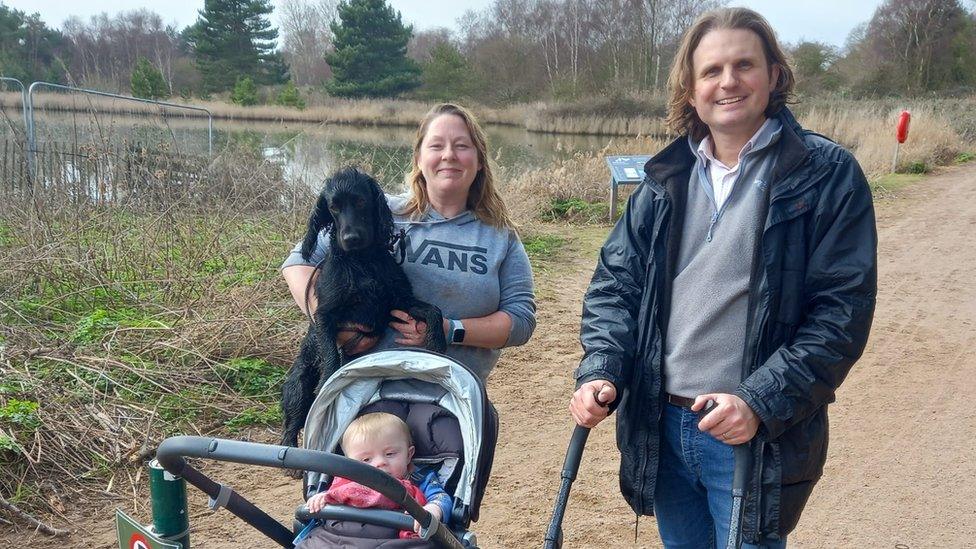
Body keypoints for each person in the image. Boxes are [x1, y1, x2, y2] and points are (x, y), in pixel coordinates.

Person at [569, 7, 877, 548]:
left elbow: (840, 315)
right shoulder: (665, 178)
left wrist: (758, 401)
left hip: (749, 434)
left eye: (744, 65)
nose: (728, 81)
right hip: (660, 426)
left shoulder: (828, 174)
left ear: (774, 75)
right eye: (711, 71)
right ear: (690, 89)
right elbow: (616, 285)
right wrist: (602, 367)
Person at [281, 103, 535, 382]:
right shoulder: (379, 212)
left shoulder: (500, 236)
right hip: (367, 384)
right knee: (378, 429)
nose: (449, 155)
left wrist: (449, 330)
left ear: (480, 159)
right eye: (436, 146)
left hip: (451, 390)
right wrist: (332, 324)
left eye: (461, 146)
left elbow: (520, 321)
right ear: (418, 158)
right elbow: (298, 263)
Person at [299, 412, 452, 542]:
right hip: (348, 537)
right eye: (366, 460)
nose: (380, 463)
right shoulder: (349, 480)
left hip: (395, 539)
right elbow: (338, 494)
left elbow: (441, 498)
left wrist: (432, 509)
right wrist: (324, 497)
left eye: (390, 454)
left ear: (409, 454)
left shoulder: (419, 478)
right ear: (350, 464)